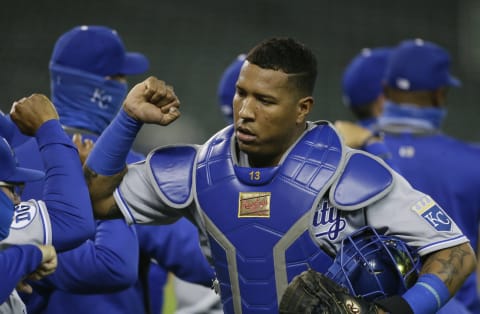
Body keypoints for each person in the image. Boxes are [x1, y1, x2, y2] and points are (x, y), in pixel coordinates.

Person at [84, 37, 476, 314]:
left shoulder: (351, 173)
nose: (245, 111)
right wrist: (128, 120)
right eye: (242, 93)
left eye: (265, 100)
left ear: (302, 108)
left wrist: (402, 311)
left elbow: (456, 251)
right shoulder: (196, 172)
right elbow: (97, 200)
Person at [10, 25, 214, 314]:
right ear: (101, 86)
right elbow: (201, 262)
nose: (124, 83)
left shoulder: (11, 160)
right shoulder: (131, 167)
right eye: (119, 76)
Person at [374, 38, 480, 313]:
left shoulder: (355, 153)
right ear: (440, 94)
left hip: (377, 306)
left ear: (385, 91)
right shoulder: (474, 162)